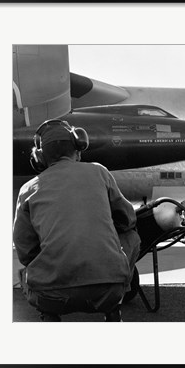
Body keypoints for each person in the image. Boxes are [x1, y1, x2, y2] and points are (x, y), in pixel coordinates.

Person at [13, 119, 140, 322]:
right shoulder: (100, 172)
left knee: (28, 272)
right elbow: (128, 219)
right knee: (132, 236)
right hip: (108, 291)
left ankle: (50, 316)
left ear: (39, 158)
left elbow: (25, 251)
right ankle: (113, 308)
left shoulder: (28, 189)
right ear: (78, 148)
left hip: (51, 295)